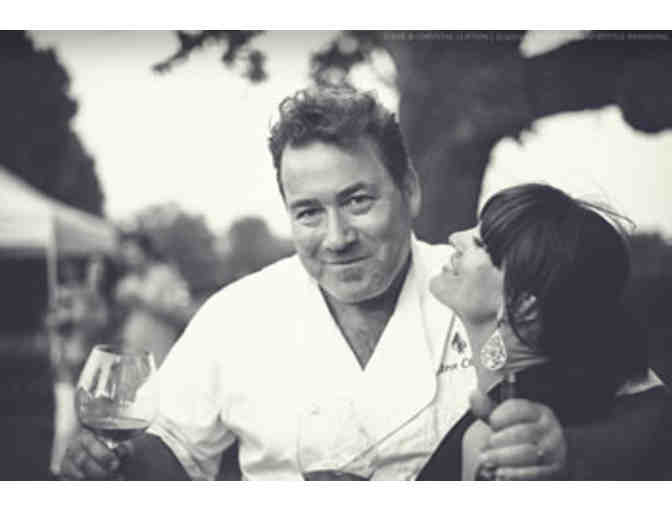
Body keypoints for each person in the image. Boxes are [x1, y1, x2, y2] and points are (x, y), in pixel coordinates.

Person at [61, 84, 668, 481]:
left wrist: (569, 453)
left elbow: (653, 419)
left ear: (409, 191)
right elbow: (171, 451)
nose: (336, 237)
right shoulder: (236, 316)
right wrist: (110, 462)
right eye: (308, 212)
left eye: (357, 201)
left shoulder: (487, 286)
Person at [417, 183, 671, 480]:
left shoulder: (497, 442)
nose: (454, 238)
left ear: (523, 305)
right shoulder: (597, 389)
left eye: (479, 244)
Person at [114, 231, 192, 367]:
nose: (129, 257)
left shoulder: (166, 275)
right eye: (126, 253)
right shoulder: (127, 282)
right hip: (132, 351)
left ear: (146, 252)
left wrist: (142, 302)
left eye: (133, 251)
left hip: (159, 352)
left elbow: (181, 315)